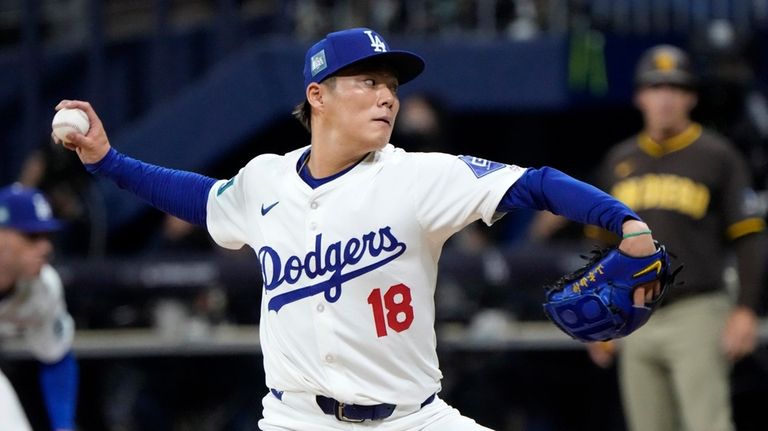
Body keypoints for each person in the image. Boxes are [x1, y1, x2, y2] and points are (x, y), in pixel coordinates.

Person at [54, 27, 663, 430]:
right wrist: (109, 162)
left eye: (392, 87)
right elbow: (203, 197)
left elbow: (538, 182)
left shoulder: (421, 176)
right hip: (299, 420)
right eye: (368, 82)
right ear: (318, 95)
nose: (387, 98)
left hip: (412, 418)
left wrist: (625, 221)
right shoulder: (266, 180)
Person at [584, 44, 766, 431]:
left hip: (697, 309)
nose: (665, 98)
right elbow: (601, 245)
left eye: (675, 88)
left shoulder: (718, 155)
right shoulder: (619, 160)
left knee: (708, 424)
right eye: (656, 87)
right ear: (640, 96)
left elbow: (750, 237)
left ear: (691, 97)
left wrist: (747, 309)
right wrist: (601, 317)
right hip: (635, 315)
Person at [0, 184, 79, 431]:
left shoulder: (43, 287)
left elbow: (55, 357)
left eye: (47, 236)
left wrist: (63, 426)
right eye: (31, 236)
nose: (45, 247)